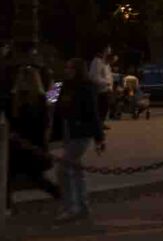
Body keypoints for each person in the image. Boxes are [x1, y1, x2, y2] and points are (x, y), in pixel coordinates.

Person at [52, 58, 105, 222]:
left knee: (63, 170)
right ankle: (82, 206)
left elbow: (93, 114)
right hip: (68, 132)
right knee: (76, 170)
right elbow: (49, 101)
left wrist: (99, 138)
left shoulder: (86, 88)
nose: (67, 70)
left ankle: (71, 208)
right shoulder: (62, 85)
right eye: (66, 67)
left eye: (70, 68)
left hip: (81, 132)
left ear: (78, 70)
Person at [7, 66, 60, 211]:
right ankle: (60, 195)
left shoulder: (17, 99)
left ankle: (8, 207)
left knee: (23, 177)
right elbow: (51, 107)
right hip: (31, 143)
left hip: (21, 143)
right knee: (33, 177)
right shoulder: (41, 98)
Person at [89, 46, 114, 129]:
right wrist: (106, 83)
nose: (109, 51)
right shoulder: (97, 62)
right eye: (108, 49)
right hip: (100, 89)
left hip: (106, 89)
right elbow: (95, 77)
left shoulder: (105, 62)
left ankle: (101, 123)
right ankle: (98, 124)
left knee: (105, 107)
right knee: (101, 107)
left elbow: (108, 75)